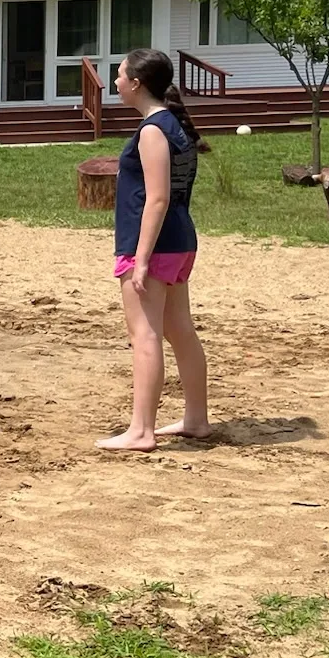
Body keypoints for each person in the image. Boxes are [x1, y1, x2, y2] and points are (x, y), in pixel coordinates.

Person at [98, 48, 212, 452]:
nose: (115, 82)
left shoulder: (152, 130)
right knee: (179, 329)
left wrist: (140, 259)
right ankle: (196, 419)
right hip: (180, 241)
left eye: (119, 75)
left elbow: (158, 199)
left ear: (136, 83)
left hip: (156, 245)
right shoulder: (173, 125)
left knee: (143, 334)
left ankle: (141, 430)